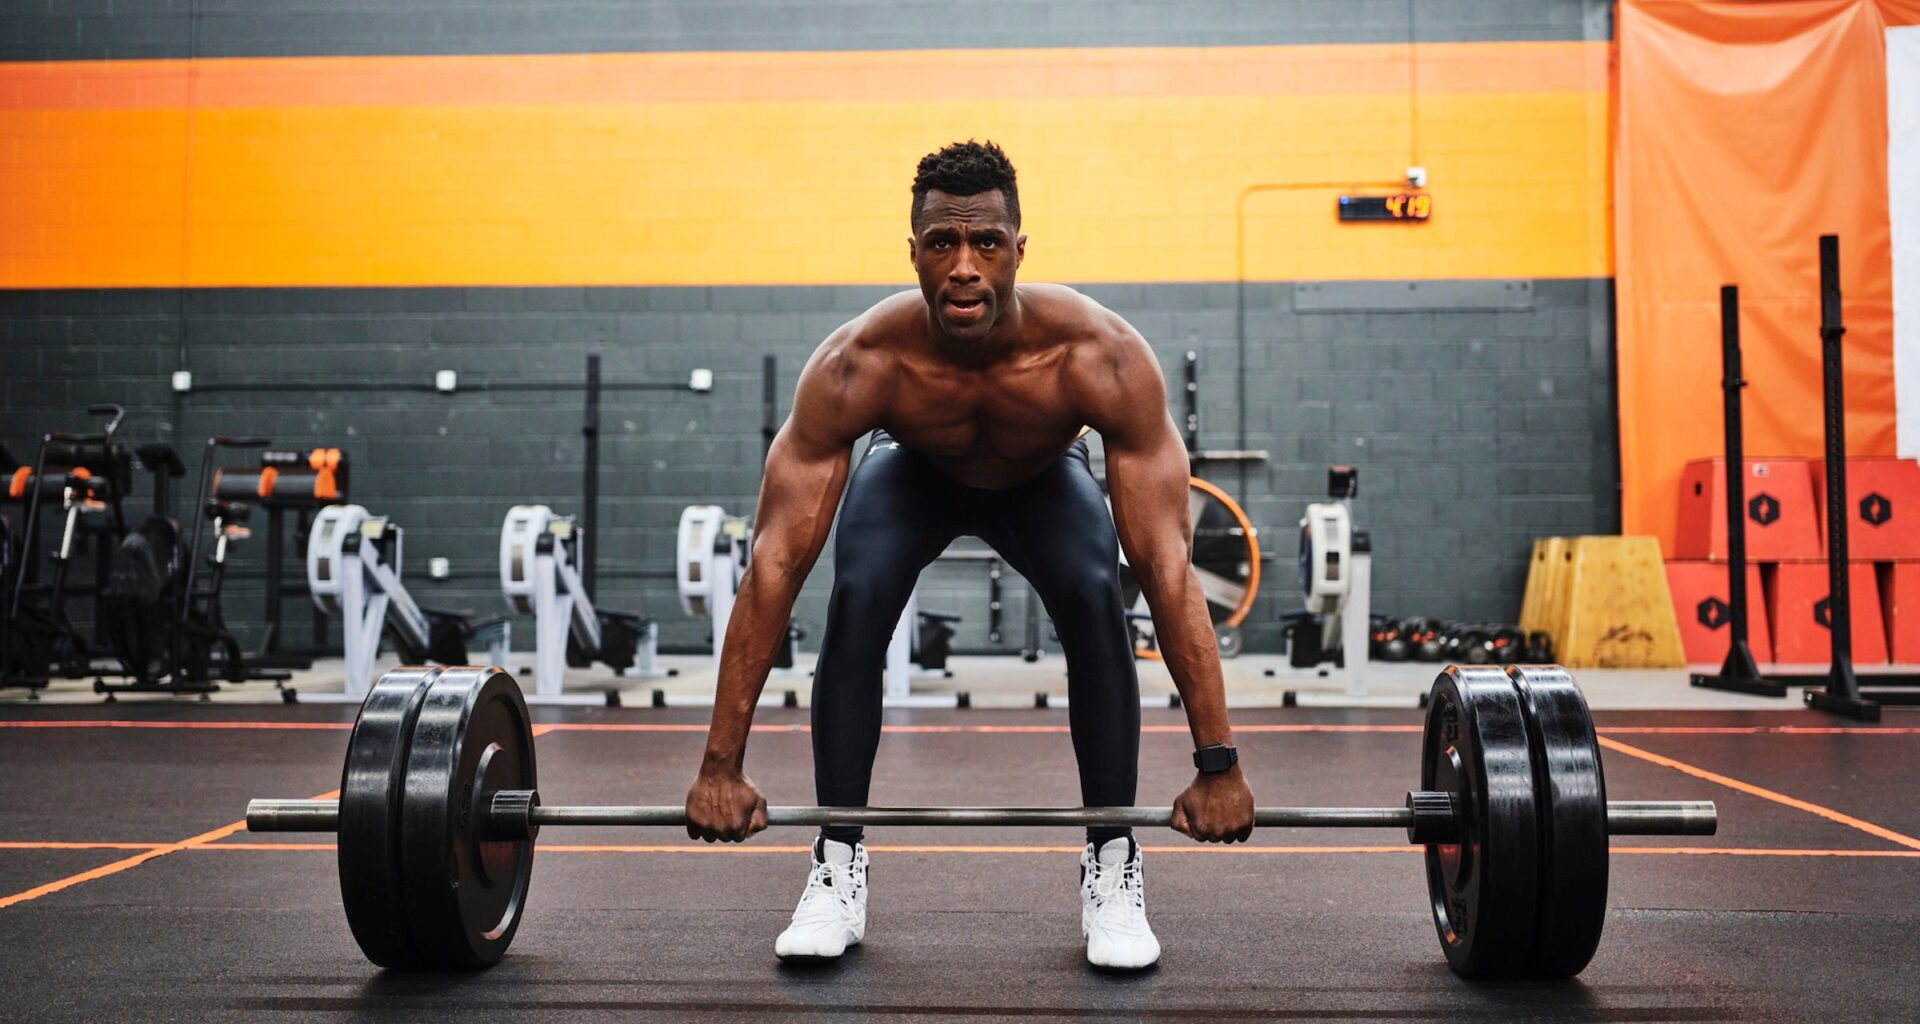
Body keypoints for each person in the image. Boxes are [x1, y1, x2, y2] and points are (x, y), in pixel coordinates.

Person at [683, 140, 1255, 971]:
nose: (963, 267)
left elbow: (1168, 569)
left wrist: (1218, 765)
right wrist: (719, 766)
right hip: (913, 472)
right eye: (941, 244)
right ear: (911, 251)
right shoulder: (859, 365)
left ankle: (1112, 859)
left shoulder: (1101, 357)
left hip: (1042, 479)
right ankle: (838, 859)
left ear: (1020, 249)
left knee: (1101, 597)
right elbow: (773, 566)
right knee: (858, 593)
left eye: (985, 243)